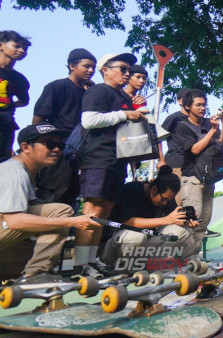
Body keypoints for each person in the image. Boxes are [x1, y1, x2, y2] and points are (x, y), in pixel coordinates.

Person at [0, 124, 99, 283]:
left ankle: (14, 275)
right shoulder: (14, 174)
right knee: (60, 213)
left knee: (51, 220)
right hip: (9, 227)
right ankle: (35, 275)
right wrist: (72, 221)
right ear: (25, 147)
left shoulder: (28, 173)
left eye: (60, 145)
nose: (57, 149)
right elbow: (15, 221)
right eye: (50, 144)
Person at [74, 52, 144, 279]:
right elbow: (89, 120)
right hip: (98, 158)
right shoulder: (99, 91)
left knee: (104, 212)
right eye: (122, 69)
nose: (127, 74)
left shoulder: (122, 96)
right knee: (93, 210)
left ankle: (92, 261)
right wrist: (123, 114)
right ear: (106, 69)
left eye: (128, 70)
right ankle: (81, 265)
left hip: (117, 160)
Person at [101, 166, 200, 268]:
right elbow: (128, 222)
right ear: (153, 190)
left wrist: (185, 221)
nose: (165, 203)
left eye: (169, 200)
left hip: (144, 244)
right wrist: (166, 220)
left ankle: (151, 267)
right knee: (137, 236)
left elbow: (173, 219)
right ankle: (122, 270)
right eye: (164, 199)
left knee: (181, 231)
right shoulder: (132, 189)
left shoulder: (165, 197)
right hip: (116, 245)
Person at [33, 48, 97, 206]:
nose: (90, 70)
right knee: (52, 192)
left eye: (93, 68)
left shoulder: (89, 94)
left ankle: (63, 228)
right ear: (72, 66)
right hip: (57, 148)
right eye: (86, 66)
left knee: (72, 193)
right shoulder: (57, 87)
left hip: (80, 151)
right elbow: (38, 119)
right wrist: (40, 145)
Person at [174, 89, 223, 256]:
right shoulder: (183, 126)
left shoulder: (208, 123)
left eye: (204, 105)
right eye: (198, 105)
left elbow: (222, 144)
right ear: (188, 106)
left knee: (203, 222)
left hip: (209, 178)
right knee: (191, 221)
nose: (203, 108)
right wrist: (212, 131)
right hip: (192, 178)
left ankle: (193, 258)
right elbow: (195, 150)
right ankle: (182, 259)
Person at [0, 31, 31, 163]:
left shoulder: (19, 79)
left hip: (5, 123)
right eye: (17, 46)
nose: (21, 50)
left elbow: (24, 101)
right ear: (1, 45)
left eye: (24, 48)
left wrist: (12, 104)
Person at [161, 88, 191, 205]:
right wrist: (161, 160)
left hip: (192, 167)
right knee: (175, 201)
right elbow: (158, 137)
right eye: (186, 98)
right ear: (179, 101)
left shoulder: (197, 120)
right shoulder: (175, 118)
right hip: (175, 164)